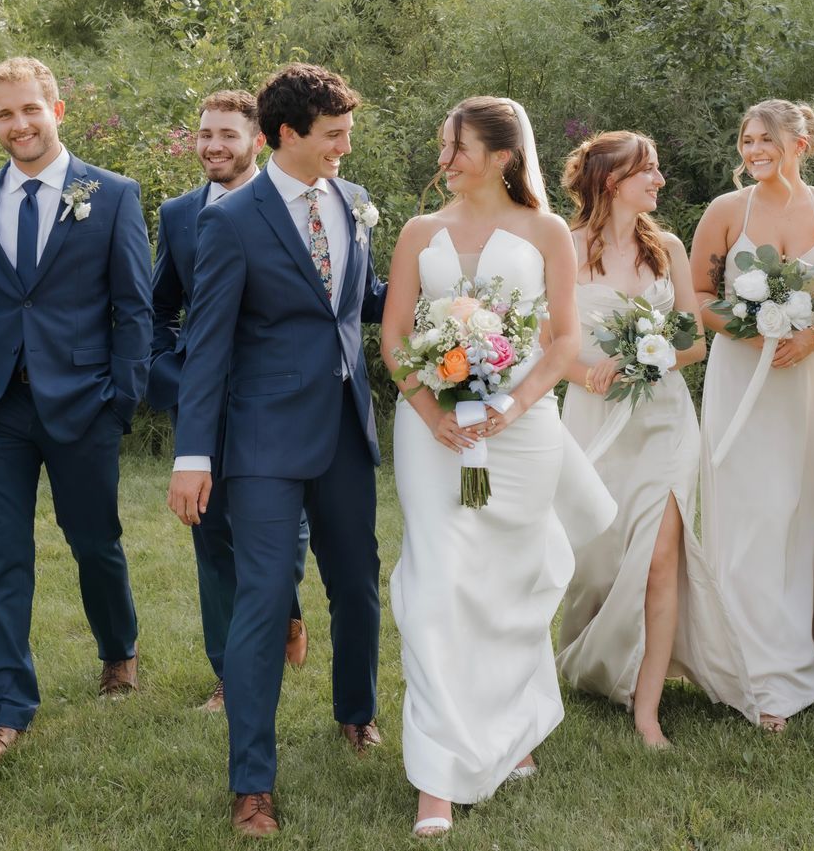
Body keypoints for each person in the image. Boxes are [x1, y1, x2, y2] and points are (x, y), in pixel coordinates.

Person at [381, 97, 615, 839]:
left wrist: (510, 409)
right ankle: (438, 779)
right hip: (433, 429)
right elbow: (393, 339)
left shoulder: (546, 230)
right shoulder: (420, 232)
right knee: (438, 584)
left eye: (459, 148)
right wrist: (433, 410)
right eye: (445, 146)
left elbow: (564, 340)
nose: (445, 160)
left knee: (514, 583)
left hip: (522, 431)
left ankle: (514, 727)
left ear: (503, 156)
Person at [167, 63, 386, 839]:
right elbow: (207, 345)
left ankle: (356, 713)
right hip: (260, 440)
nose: (346, 145)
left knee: (358, 583)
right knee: (262, 601)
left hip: (346, 432)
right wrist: (194, 455)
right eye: (334, 134)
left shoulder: (352, 202)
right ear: (286, 134)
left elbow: (364, 301)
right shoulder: (230, 221)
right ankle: (251, 783)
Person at [0, 57, 154, 764]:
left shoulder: (113, 193)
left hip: (83, 401)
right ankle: (8, 708)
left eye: (29, 109)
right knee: (1, 557)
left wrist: (119, 397)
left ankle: (118, 648)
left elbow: (134, 307)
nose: (19, 124)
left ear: (56, 110)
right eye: (4, 114)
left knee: (94, 537)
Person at [556, 130, 749, 747]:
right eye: (650, 171)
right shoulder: (562, 245)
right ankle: (587, 660)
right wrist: (588, 373)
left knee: (662, 558)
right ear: (612, 180)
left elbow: (693, 338)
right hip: (592, 417)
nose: (660, 181)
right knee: (598, 556)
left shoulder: (665, 247)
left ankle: (648, 710)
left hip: (664, 418)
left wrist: (650, 359)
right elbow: (542, 342)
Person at [687, 101, 814, 730]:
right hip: (744, 376)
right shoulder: (727, 212)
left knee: (807, 511)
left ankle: (799, 644)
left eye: (765, 138)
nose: (753, 149)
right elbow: (701, 294)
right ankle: (758, 673)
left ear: (801, 142)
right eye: (746, 139)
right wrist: (751, 329)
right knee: (753, 511)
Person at [149, 90, 311, 714]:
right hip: (206, 401)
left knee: (284, 534)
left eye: (227, 134)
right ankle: (230, 674)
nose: (213, 145)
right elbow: (160, 305)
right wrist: (167, 373)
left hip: (277, 402)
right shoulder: (178, 214)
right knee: (213, 538)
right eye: (204, 133)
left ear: (259, 140)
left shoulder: (292, 206)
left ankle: (285, 609)